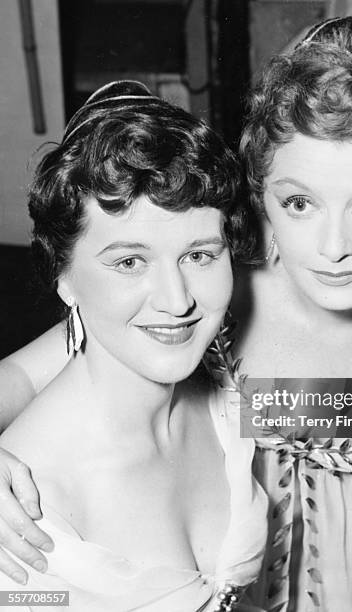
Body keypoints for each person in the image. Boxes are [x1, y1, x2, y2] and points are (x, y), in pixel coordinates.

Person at [0, 12, 352, 612]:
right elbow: (30, 372)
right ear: (261, 190)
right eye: (300, 201)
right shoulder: (214, 269)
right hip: (222, 533)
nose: (332, 247)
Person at [0, 80, 268, 611]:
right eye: (129, 262)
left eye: (199, 255)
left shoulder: (221, 387)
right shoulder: (27, 525)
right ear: (65, 278)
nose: (176, 301)